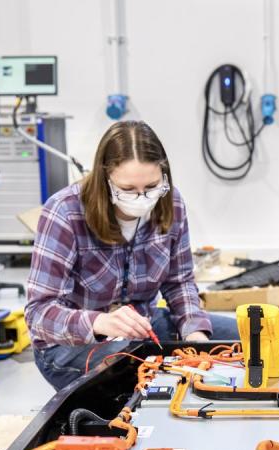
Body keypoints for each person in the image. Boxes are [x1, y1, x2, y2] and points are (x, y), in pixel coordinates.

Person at [25, 121, 239, 390]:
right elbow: (39, 313)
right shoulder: (64, 212)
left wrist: (194, 333)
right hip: (70, 345)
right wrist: (100, 322)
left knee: (240, 338)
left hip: (144, 329)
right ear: (105, 179)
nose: (142, 198)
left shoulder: (170, 202)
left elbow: (179, 282)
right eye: (127, 190)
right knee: (137, 363)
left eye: (151, 186)